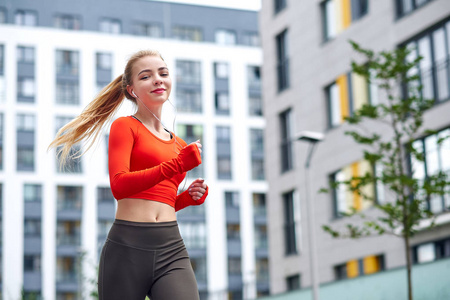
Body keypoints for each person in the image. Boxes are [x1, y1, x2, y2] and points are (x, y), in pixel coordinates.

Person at [49, 50, 208, 300]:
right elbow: (120, 186)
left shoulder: (179, 143)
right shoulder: (125, 126)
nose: (158, 79)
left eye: (163, 73)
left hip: (171, 245)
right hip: (127, 247)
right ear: (132, 89)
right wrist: (177, 165)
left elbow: (160, 200)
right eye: (146, 76)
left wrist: (188, 198)